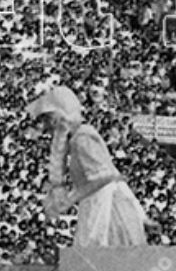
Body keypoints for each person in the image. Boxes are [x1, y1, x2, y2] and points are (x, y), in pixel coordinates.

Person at [27, 84, 148, 247]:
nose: (47, 127)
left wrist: (70, 200)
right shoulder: (78, 137)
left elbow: (104, 177)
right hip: (97, 204)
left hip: (104, 210)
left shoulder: (82, 138)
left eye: (47, 120)